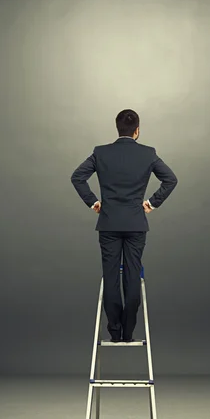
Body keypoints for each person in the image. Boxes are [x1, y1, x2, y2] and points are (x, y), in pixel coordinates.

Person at [71, 109, 178, 342]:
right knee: (131, 276)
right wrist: (151, 203)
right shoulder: (148, 154)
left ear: (117, 128)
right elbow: (171, 179)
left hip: (108, 224)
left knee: (111, 278)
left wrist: (93, 202)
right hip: (136, 224)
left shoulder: (101, 153)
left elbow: (77, 177)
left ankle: (115, 331)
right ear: (137, 131)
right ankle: (129, 330)